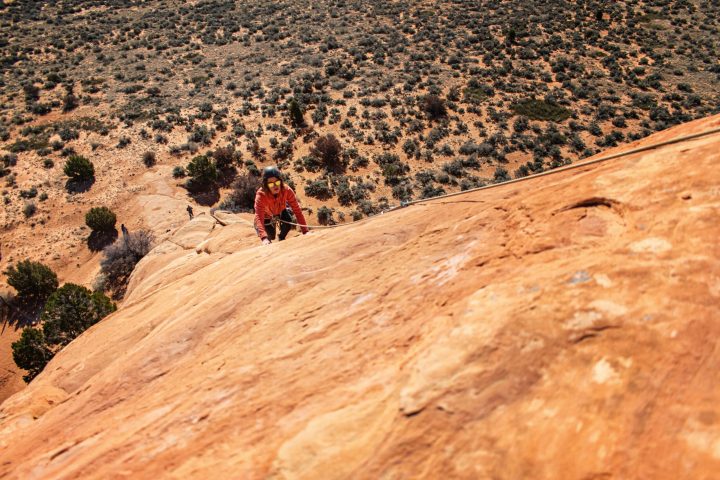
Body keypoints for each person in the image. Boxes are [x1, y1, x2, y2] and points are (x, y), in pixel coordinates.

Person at [254, 166, 308, 245]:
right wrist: (264, 238)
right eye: (271, 184)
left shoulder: (286, 190)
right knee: (271, 237)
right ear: (266, 185)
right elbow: (259, 216)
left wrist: (305, 231)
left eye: (277, 182)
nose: (275, 186)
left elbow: (297, 210)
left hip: (280, 210)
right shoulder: (261, 195)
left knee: (288, 222)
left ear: (280, 181)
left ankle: (281, 237)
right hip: (266, 216)